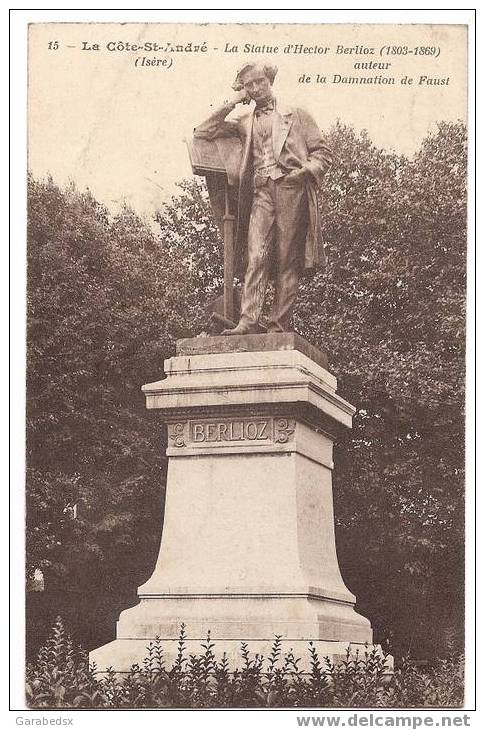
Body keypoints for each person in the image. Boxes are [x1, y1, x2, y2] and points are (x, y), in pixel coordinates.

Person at [194, 63, 332, 335]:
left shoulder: (297, 115)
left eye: (260, 82)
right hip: (260, 192)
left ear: (270, 81)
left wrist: (302, 172)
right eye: (249, 85)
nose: (256, 88)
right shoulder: (244, 121)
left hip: (291, 189)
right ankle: (248, 321)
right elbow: (203, 131)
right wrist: (233, 102)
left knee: (286, 259)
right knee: (256, 255)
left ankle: (278, 325)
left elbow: (323, 154)